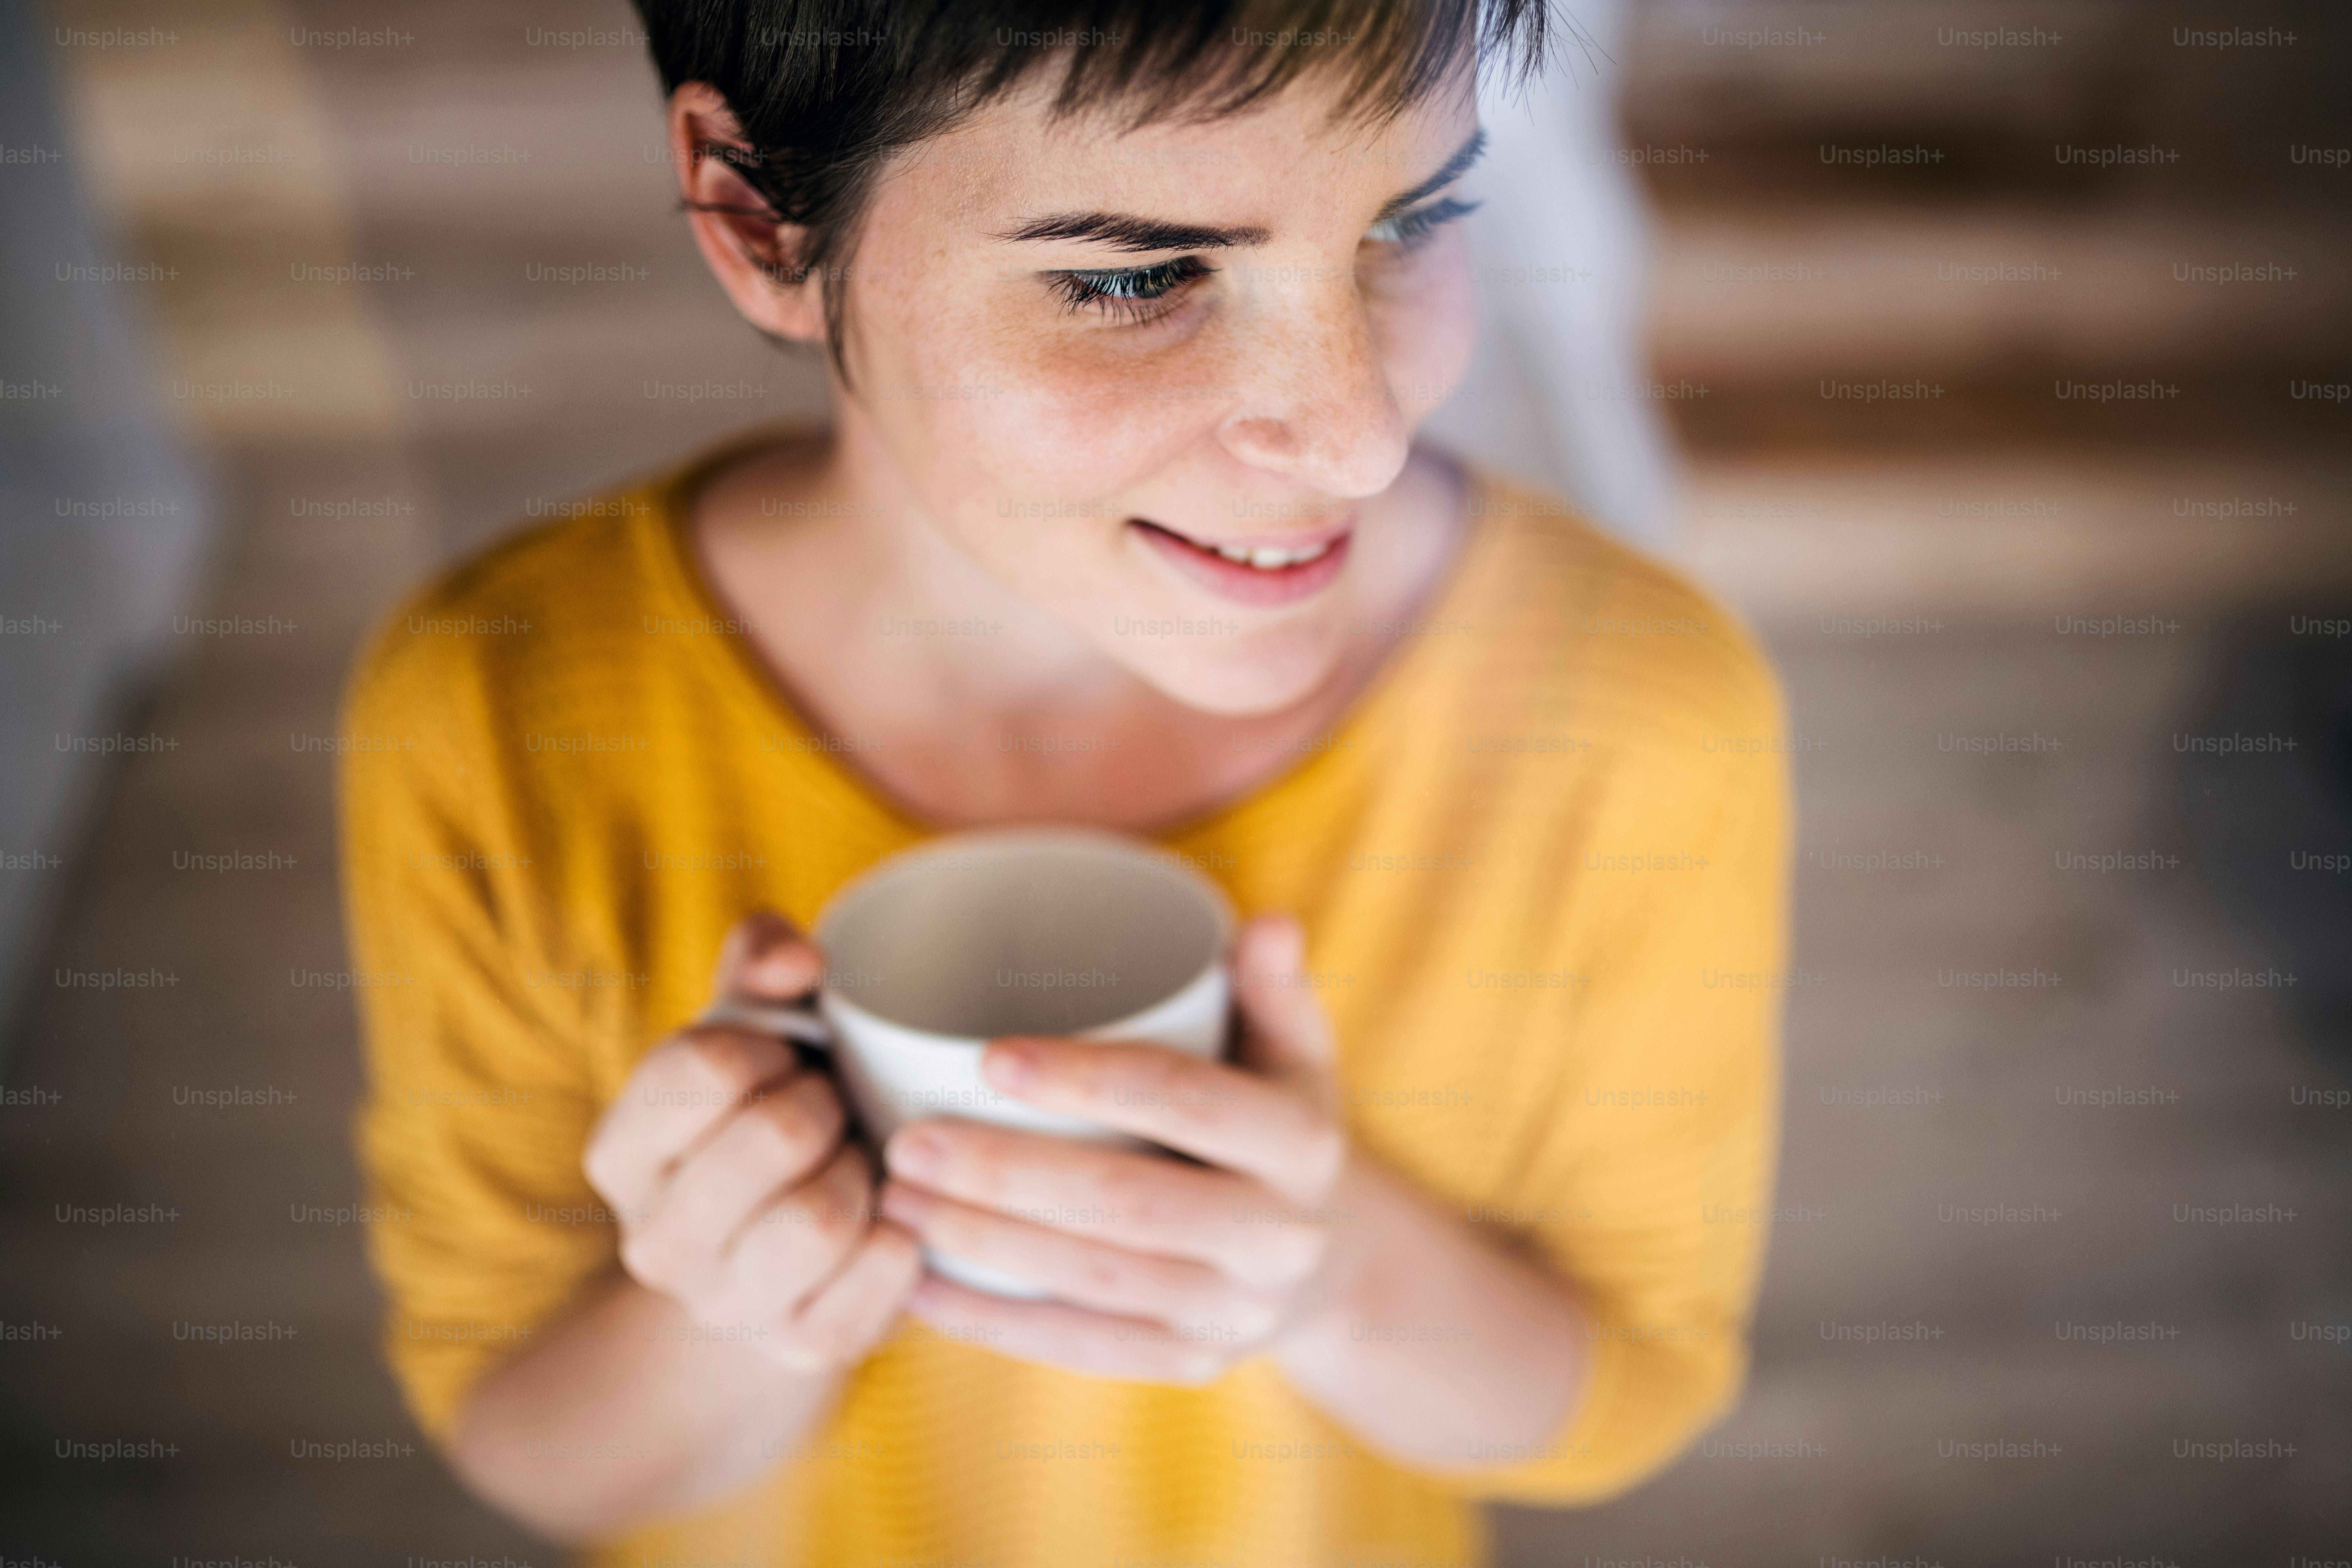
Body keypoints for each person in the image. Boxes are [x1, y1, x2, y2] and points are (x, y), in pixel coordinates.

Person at [339, 5, 1790, 1565]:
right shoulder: (502, 711)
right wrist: (732, 1312)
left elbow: (1631, 1384)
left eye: (1415, 220)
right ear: (760, 217)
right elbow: (518, 1427)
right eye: (1136, 276)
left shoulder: (1638, 716)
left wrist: (1325, 1273)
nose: (1359, 438)